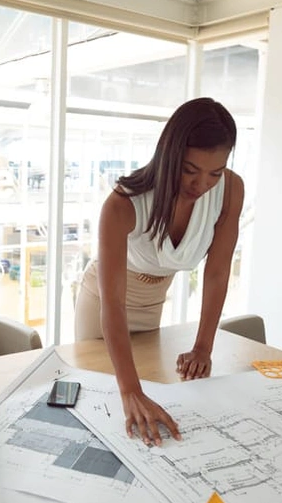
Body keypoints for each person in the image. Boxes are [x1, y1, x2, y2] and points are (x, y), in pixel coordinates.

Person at [74, 97, 244, 447]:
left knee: (147, 404)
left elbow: (216, 275)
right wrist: (130, 391)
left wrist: (203, 348)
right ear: (168, 154)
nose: (202, 185)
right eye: (189, 170)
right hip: (103, 305)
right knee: (105, 408)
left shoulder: (229, 191)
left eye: (215, 172)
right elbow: (114, 304)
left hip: (153, 302)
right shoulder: (122, 205)